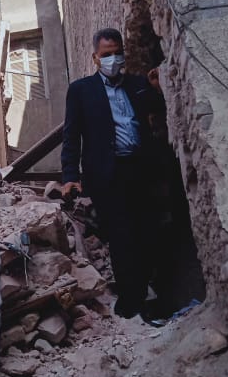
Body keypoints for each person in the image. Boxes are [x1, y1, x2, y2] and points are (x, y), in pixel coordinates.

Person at [61, 28, 164, 319]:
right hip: (108, 174)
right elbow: (72, 136)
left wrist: (156, 88)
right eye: (107, 55)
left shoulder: (137, 84)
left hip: (140, 169)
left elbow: (157, 110)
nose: (114, 59)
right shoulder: (81, 91)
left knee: (148, 231)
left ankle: (154, 296)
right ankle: (131, 301)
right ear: (95, 58)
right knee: (121, 236)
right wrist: (70, 176)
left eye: (118, 53)